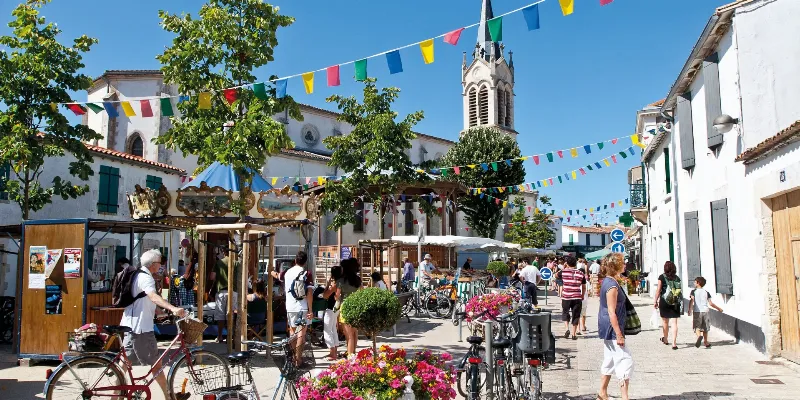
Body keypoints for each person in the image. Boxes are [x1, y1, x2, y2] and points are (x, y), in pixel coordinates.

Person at [120, 250, 189, 400]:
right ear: (153, 265)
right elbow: (152, 296)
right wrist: (173, 308)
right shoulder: (146, 278)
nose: (161, 266)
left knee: (124, 365)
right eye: (160, 263)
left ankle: (115, 397)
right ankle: (169, 397)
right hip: (141, 328)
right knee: (156, 365)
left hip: (129, 324)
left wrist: (158, 312)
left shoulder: (137, 275)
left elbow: (142, 299)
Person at [597, 253, 633, 400]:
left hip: (607, 325)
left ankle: (602, 393)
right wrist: (619, 333)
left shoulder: (609, 281)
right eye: (622, 262)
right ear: (615, 266)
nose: (624, 264)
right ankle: (625, 397)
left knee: (610, 359)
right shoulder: (612, 285)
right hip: (612, 327)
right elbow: (612, 311)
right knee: (625, 360)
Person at [283, 251, 315, 365]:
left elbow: (279, 277)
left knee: (292, 332)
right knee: (301, 332)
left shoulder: (287, 273)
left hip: (290, 306)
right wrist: (311, 310)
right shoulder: (307, 273)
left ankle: (291, 358)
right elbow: (310, 293)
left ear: (295, 260)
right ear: (305, 262)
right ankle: (298, 359)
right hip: (302, 306)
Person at [208, 253, 239, 343]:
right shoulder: (236, 262)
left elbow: (212, 277)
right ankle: (231, 336)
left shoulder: (219, 263)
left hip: (221, 291)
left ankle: (220, 336)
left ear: (224, 252)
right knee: (232, 315)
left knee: (220, 316)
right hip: (233, 291)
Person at [688, 276, 723, 348]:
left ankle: (699, 337)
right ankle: (706, 342)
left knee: (697, 327)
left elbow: (692, 301)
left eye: (695, 282)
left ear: (698, 283)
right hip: (705, 311)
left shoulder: (693, 291)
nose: (694, 283)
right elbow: (711, 303)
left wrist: (690, 310)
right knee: (705, 328)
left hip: (697, 311)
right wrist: (718, 308)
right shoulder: (706, 292)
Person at [654, 261, 682, 350]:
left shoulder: (662, 277)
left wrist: (655, 301)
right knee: (674, 323)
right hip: (675, 302)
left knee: (665, 322)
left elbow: (658, 290)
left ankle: (665, 339)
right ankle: (674, 343)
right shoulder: (677, 278)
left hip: (664, 301)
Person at [338, 258, 362, 356]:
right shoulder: (357, 279)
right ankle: (353, 353)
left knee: (349, 335)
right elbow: (362, 292)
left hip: (345, 307)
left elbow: (337, 295)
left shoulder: (341, 281)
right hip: (356, 307)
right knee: (354, 333)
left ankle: (350, 357)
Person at [560, 256, 587, 340]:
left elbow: (555, 276)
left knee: (565, 312)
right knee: (576, 315)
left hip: (566, 297)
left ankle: (567, 329)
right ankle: (574, 334)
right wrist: (582, 295)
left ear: (567, 263)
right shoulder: (581, 273)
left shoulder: (563, 272)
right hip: (577, 297)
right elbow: (584, 287)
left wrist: (564, 267)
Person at [321, 265, 343, 361]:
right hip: (336, 308)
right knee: (333, 329)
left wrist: (328, 282)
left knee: (327, 330)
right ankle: (335, 351)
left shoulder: (335, 285)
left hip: (331, 308)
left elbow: (325, 295)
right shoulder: (340, 283)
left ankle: (332, 352)